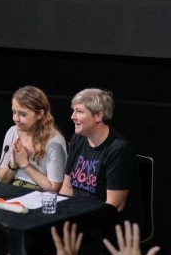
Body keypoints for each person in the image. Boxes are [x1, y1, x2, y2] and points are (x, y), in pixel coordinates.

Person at [60, 88, 141, 224]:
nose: (72, 116)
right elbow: (67, 187)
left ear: (98, 116)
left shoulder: (119, 149)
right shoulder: (77, 139)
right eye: (73, 111)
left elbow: (113, 206)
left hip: (105, 222)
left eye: (79, 111)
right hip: (76, 214)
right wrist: (59, 215)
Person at [0, 85, 67, 192]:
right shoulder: (12, 132)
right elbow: (2, 179)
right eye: (14, 112)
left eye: (22, 114)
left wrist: (25, 164)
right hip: (14, 189)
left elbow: (54, 188)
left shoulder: (54, 142)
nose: (15, 119)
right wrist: (13, 164)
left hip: (40, 195)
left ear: (39, 114)